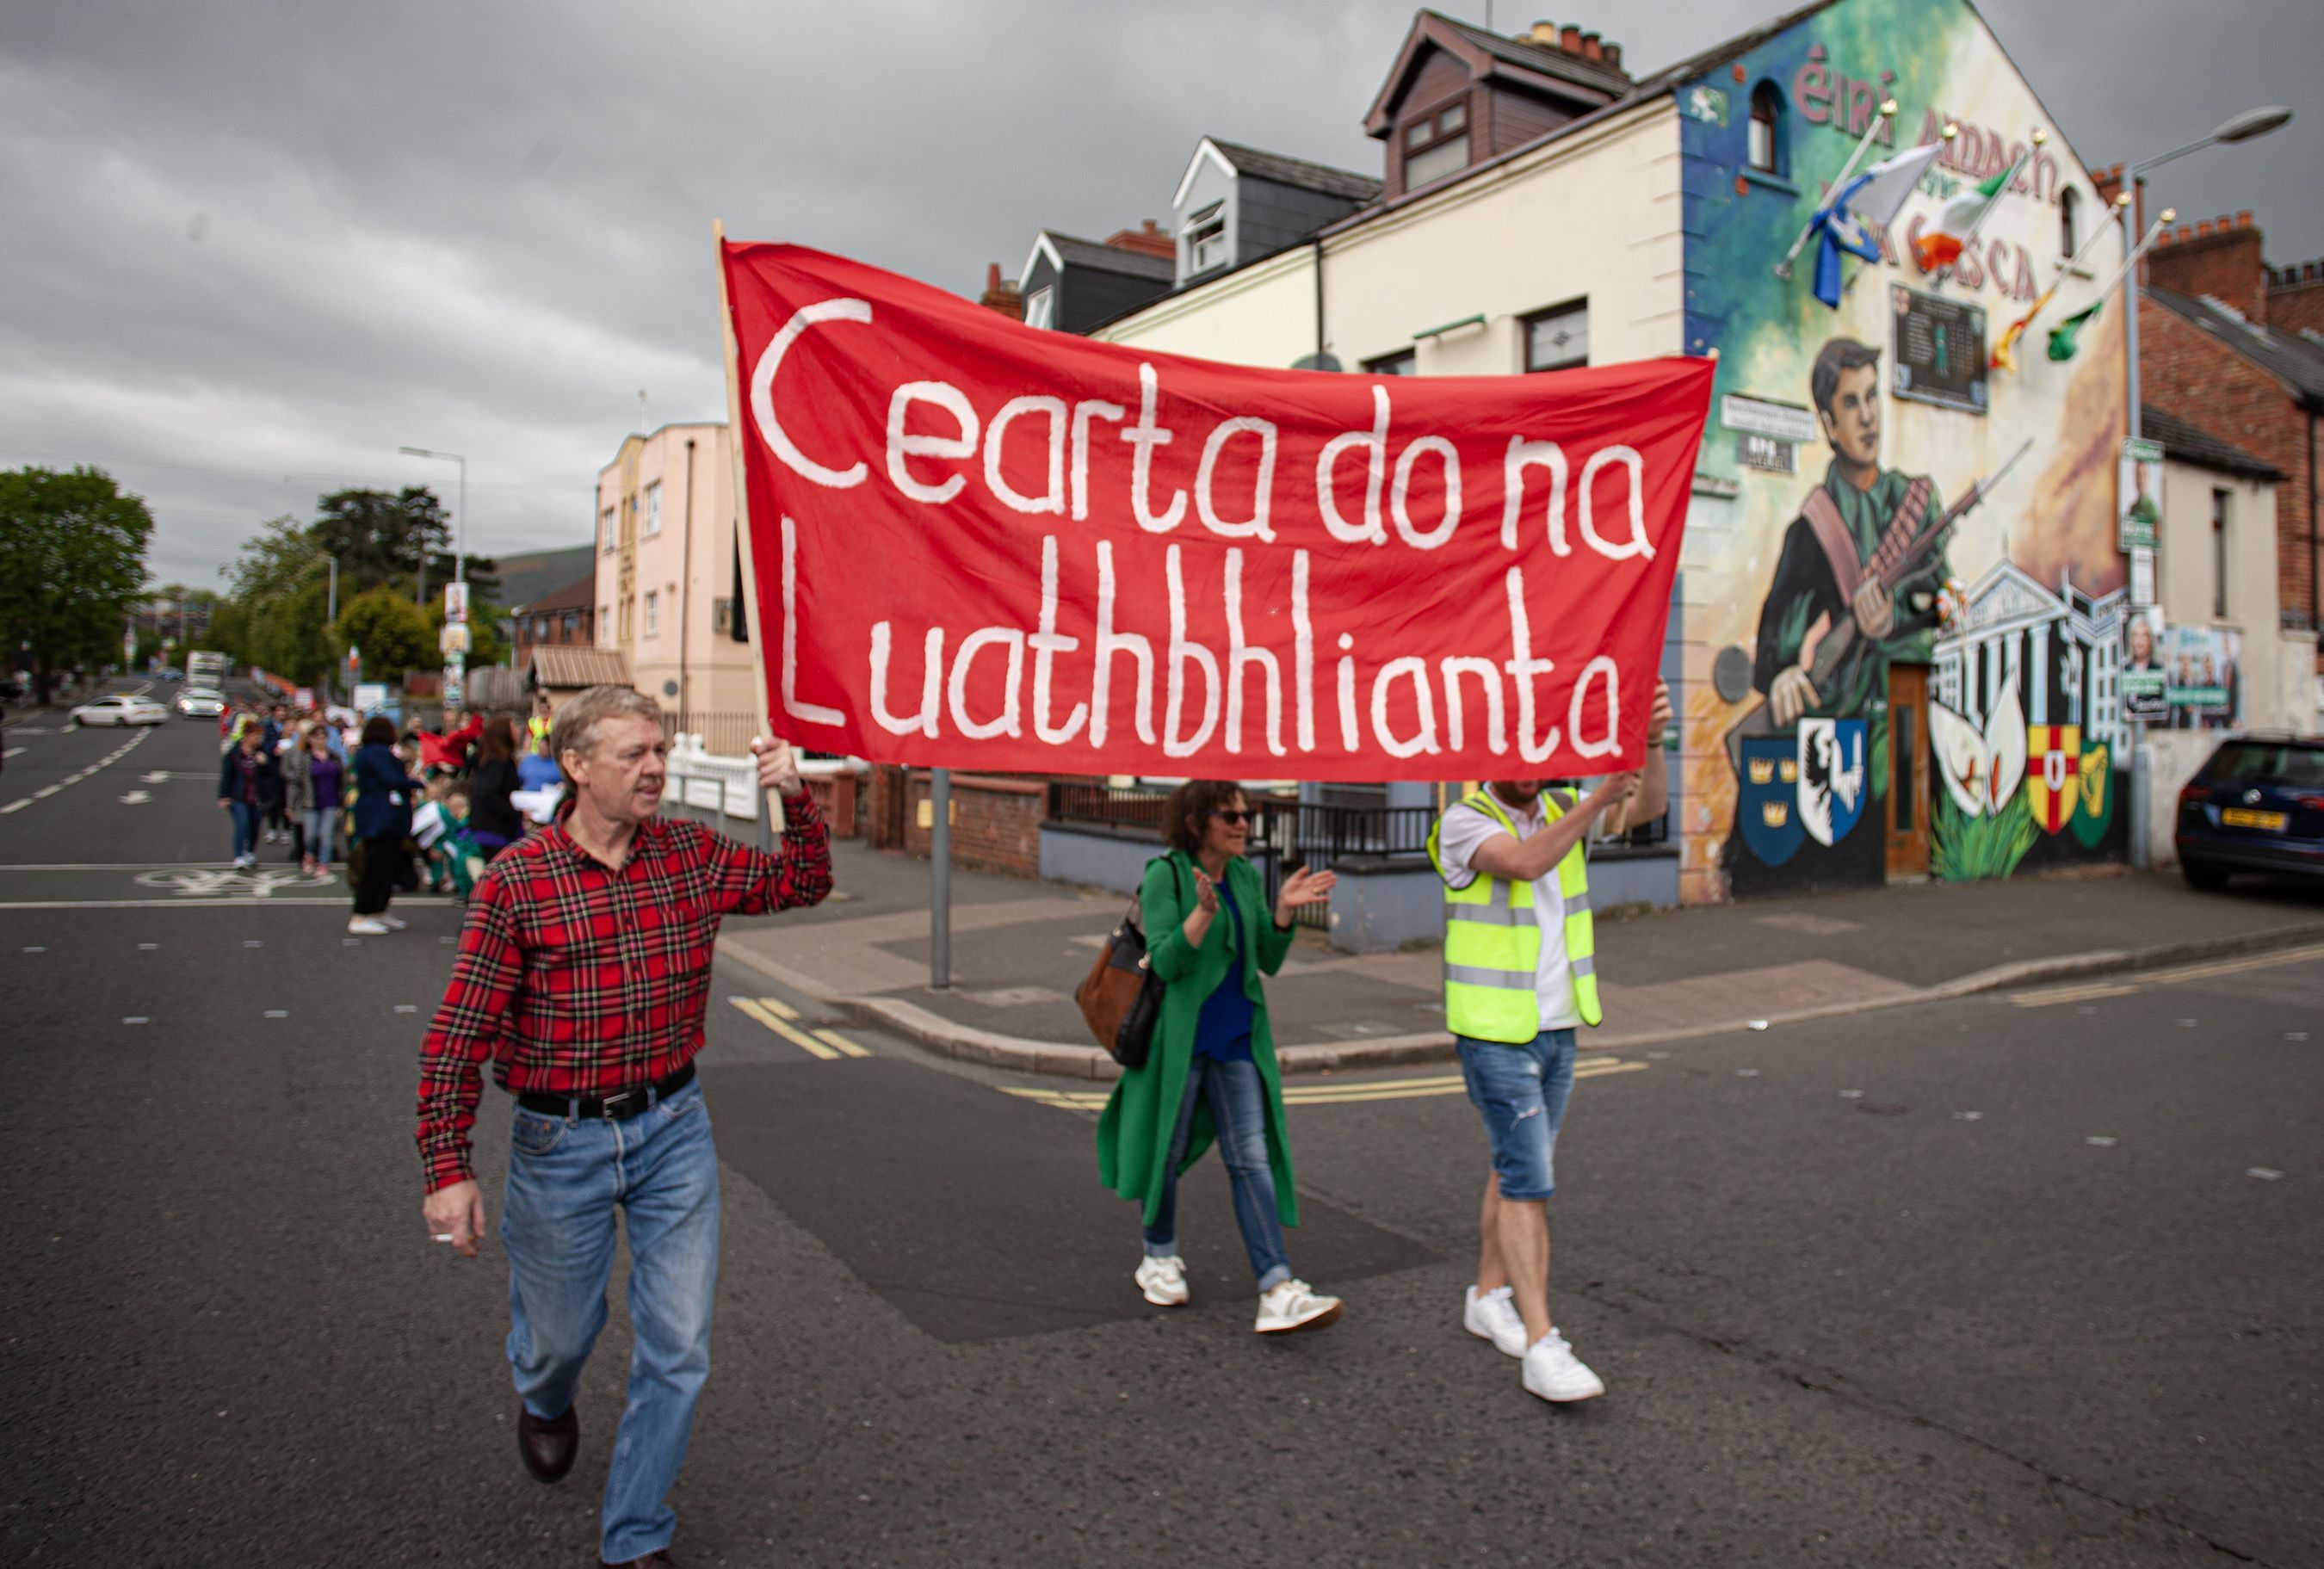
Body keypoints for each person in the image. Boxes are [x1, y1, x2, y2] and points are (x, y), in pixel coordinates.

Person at [416, 684, 831, 1569]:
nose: (656, 766)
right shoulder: (517, 884)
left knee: (678, 1344)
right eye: (635, 752)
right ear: (576, 763)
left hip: (673, 1129)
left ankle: (636, 1532)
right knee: (562, 1334)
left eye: (661, 749)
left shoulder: (689, 852)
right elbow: (459, 1033)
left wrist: (792, 795)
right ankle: (546, 1391)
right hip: (557, 1141)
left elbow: (802, 879)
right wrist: (447, 1165)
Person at [1427, 680, 1671, 1405]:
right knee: (1530, 1180)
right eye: (1513, 752)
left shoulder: (1562, 807)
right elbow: (1528, 861)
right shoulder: (1464, 823)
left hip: (1559, 1027)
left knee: (1514, 1169)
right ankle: (1541, 1342)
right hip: (1496, 1034)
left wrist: (1650, 744)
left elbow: (1651, 807)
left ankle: (1485, 1296)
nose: (1529, 764)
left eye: (1538, 749)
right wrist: (1599, 797)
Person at [1096, 780, 1342, 1335]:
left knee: (1249, 1159)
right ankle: (1158, 1255)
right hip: (1180, 1045)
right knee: (1166, 1149)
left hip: (1236, 1042)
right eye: (1229, 815)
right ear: (1195, 822)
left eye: (1246, 814)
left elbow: (1269, 961)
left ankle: (1276, 1286)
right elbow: (1163, 962)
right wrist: (1201, 915)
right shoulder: (1168, 875)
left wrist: (1281, 914)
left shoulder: (1247, 876)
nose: (1242, 824)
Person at [350, 714, 426, 936]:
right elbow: (392, 779)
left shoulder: (370, 753)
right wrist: (416, 782)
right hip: (381, 819)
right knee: (376, 868)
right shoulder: (377, 753)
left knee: (386, 868)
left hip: (380, 818)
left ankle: (378, 910)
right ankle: (361, 913)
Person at [467, 714, 524, 861]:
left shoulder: (493, 760)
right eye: (514, 728)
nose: (518, 731)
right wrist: (515, 812)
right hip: (495, 831)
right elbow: (487, 793)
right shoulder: (498, 762)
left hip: (495, 829)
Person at [290, 725, 343, 877]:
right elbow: (296, 783)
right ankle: (309, 855)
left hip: (331, 801)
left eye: (323, 737)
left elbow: (341, 781)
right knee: (310, 835)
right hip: (310, 802)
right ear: (310, 740)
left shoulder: (334, 758)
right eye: (317, 737)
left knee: (326, 835)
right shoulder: (306, 758)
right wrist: (291, 805)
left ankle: (323, 863)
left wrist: (341, 802)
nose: (320, 741)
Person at [216, 722, 268, 870]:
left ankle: (250, 852)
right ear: (247, 736)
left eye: (260, 736)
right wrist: (223, 795)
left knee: (255, 827)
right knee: (243, 824)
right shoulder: (233, 754)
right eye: (256, 736)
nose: (259, 739)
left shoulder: (261, 752)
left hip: (257, 796)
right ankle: (239, 856)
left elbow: (270, 774)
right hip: (238, 796)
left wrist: (265, 763)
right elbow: (227, 775)